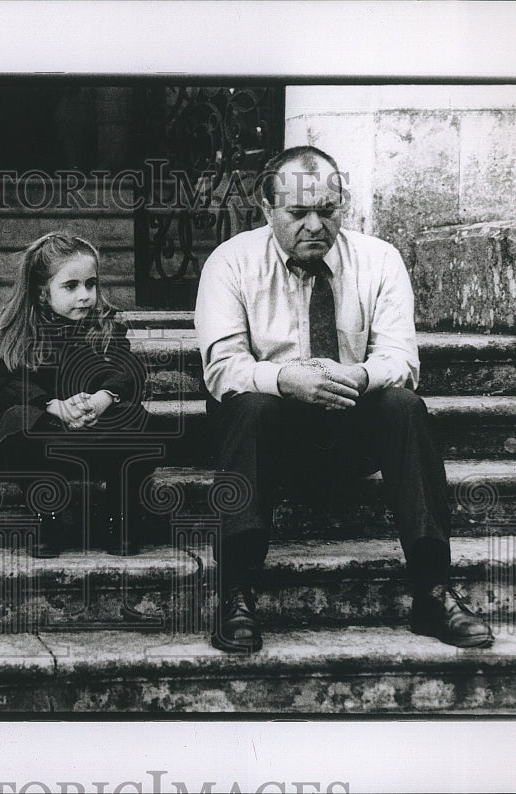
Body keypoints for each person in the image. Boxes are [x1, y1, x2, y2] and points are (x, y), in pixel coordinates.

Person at [194, 145, 494, 653]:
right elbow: (222, 368)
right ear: (267, 209)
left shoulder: (379, 260)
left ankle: (432, 589)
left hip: (348, 425)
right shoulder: (231, 262)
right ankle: (236, 590)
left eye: (327, 211)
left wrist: (355, 375)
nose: (314, 225)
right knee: (249, 403)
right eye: (297, 212)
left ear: (343, 205)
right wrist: (285, 378)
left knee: (403, 406)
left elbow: (402, 359)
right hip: (268, 436)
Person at [0, 232, 159, 558]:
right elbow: (8, 381)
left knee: (138, 420)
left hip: (95, 427)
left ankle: (118, 517)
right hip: (47, 432)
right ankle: (48, 518)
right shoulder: (15, 335)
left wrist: (103, 398)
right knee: (19, 420)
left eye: (91, 284)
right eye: (71, 286)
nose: (85, 295)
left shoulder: (107, 328)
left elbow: (128, 370)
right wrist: (53, 406)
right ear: (42, 293)